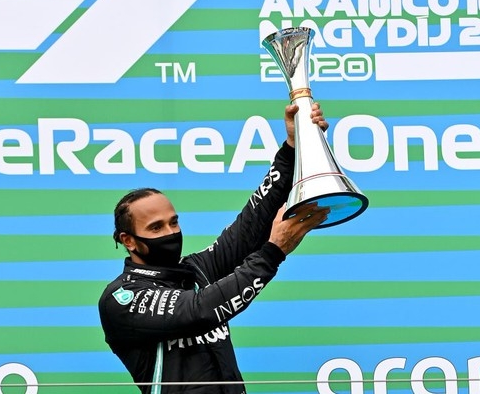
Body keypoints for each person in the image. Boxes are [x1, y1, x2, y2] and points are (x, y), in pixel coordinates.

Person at [98, 102, 330, 394]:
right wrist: (273, 252)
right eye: (156, 227)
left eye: (174, 222)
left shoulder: (196, 270)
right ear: (128, 240)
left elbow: (249, 227)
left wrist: (292, 149)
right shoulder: (122, 299)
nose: (170, 232)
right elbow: (199, 311)